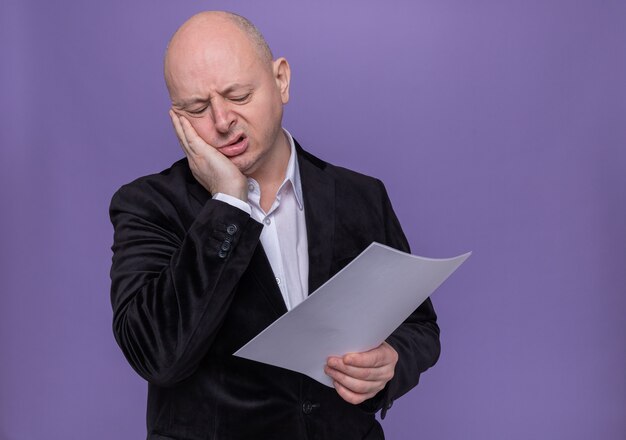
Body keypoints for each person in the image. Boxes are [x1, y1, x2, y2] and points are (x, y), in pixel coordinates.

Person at [109, 11, 440, 440]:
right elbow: (156, 355)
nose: (223, 120)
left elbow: (419, 325)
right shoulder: (147, 205)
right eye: (197, 108)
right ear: (177, 116)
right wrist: (227, 204)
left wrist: (392, 360)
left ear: (281, 80)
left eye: (239, 95)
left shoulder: (362, 195)